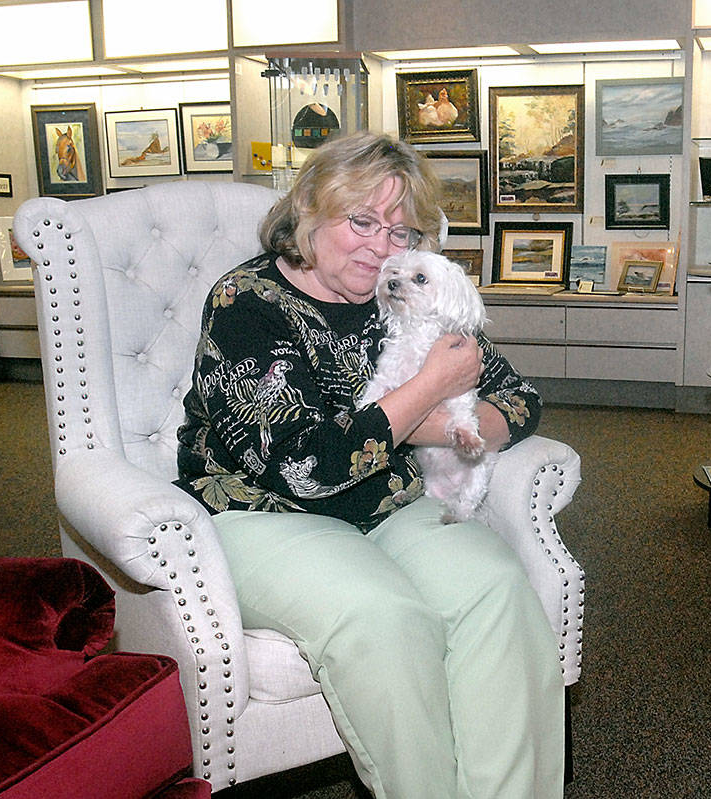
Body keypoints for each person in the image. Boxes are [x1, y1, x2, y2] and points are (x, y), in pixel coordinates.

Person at [173, 131, 564, 798]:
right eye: (362, 221)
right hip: (265, 515)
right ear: (310, 210)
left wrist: (465, 428)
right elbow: (305, 465)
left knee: (500, 593)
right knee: (386, 620)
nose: (383, 249)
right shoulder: (247, 303)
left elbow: (520, 398)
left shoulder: (410, 298)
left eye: (403, 231)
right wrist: (431, 394)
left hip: (386, 505)